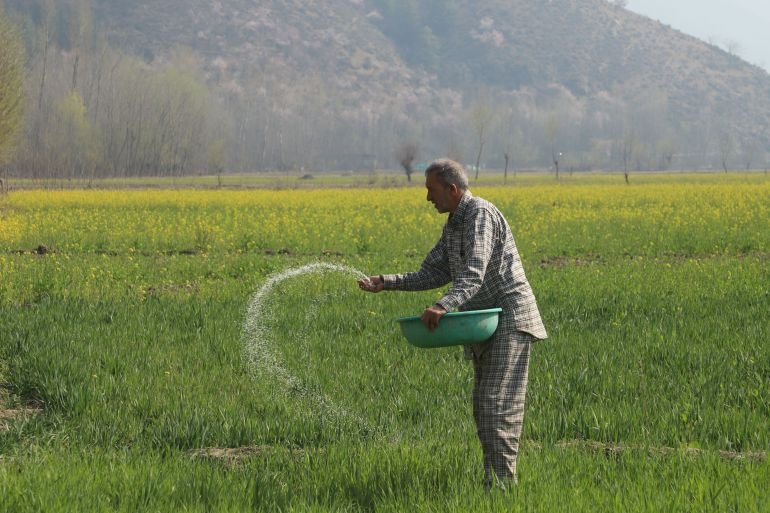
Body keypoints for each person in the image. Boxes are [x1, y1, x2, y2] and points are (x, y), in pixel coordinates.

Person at [358, 158, 547, 489]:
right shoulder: (454, 226)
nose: (428, 198)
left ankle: (501, 488)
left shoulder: (480, 216)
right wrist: (386, 282)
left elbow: (473, 272)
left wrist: (442, 306)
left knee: (495, 405)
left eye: (431, 190)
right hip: (483, 322)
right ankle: (497, 483)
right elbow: (432, 271)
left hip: (510, 318)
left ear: (452, 189)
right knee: (483, 406)